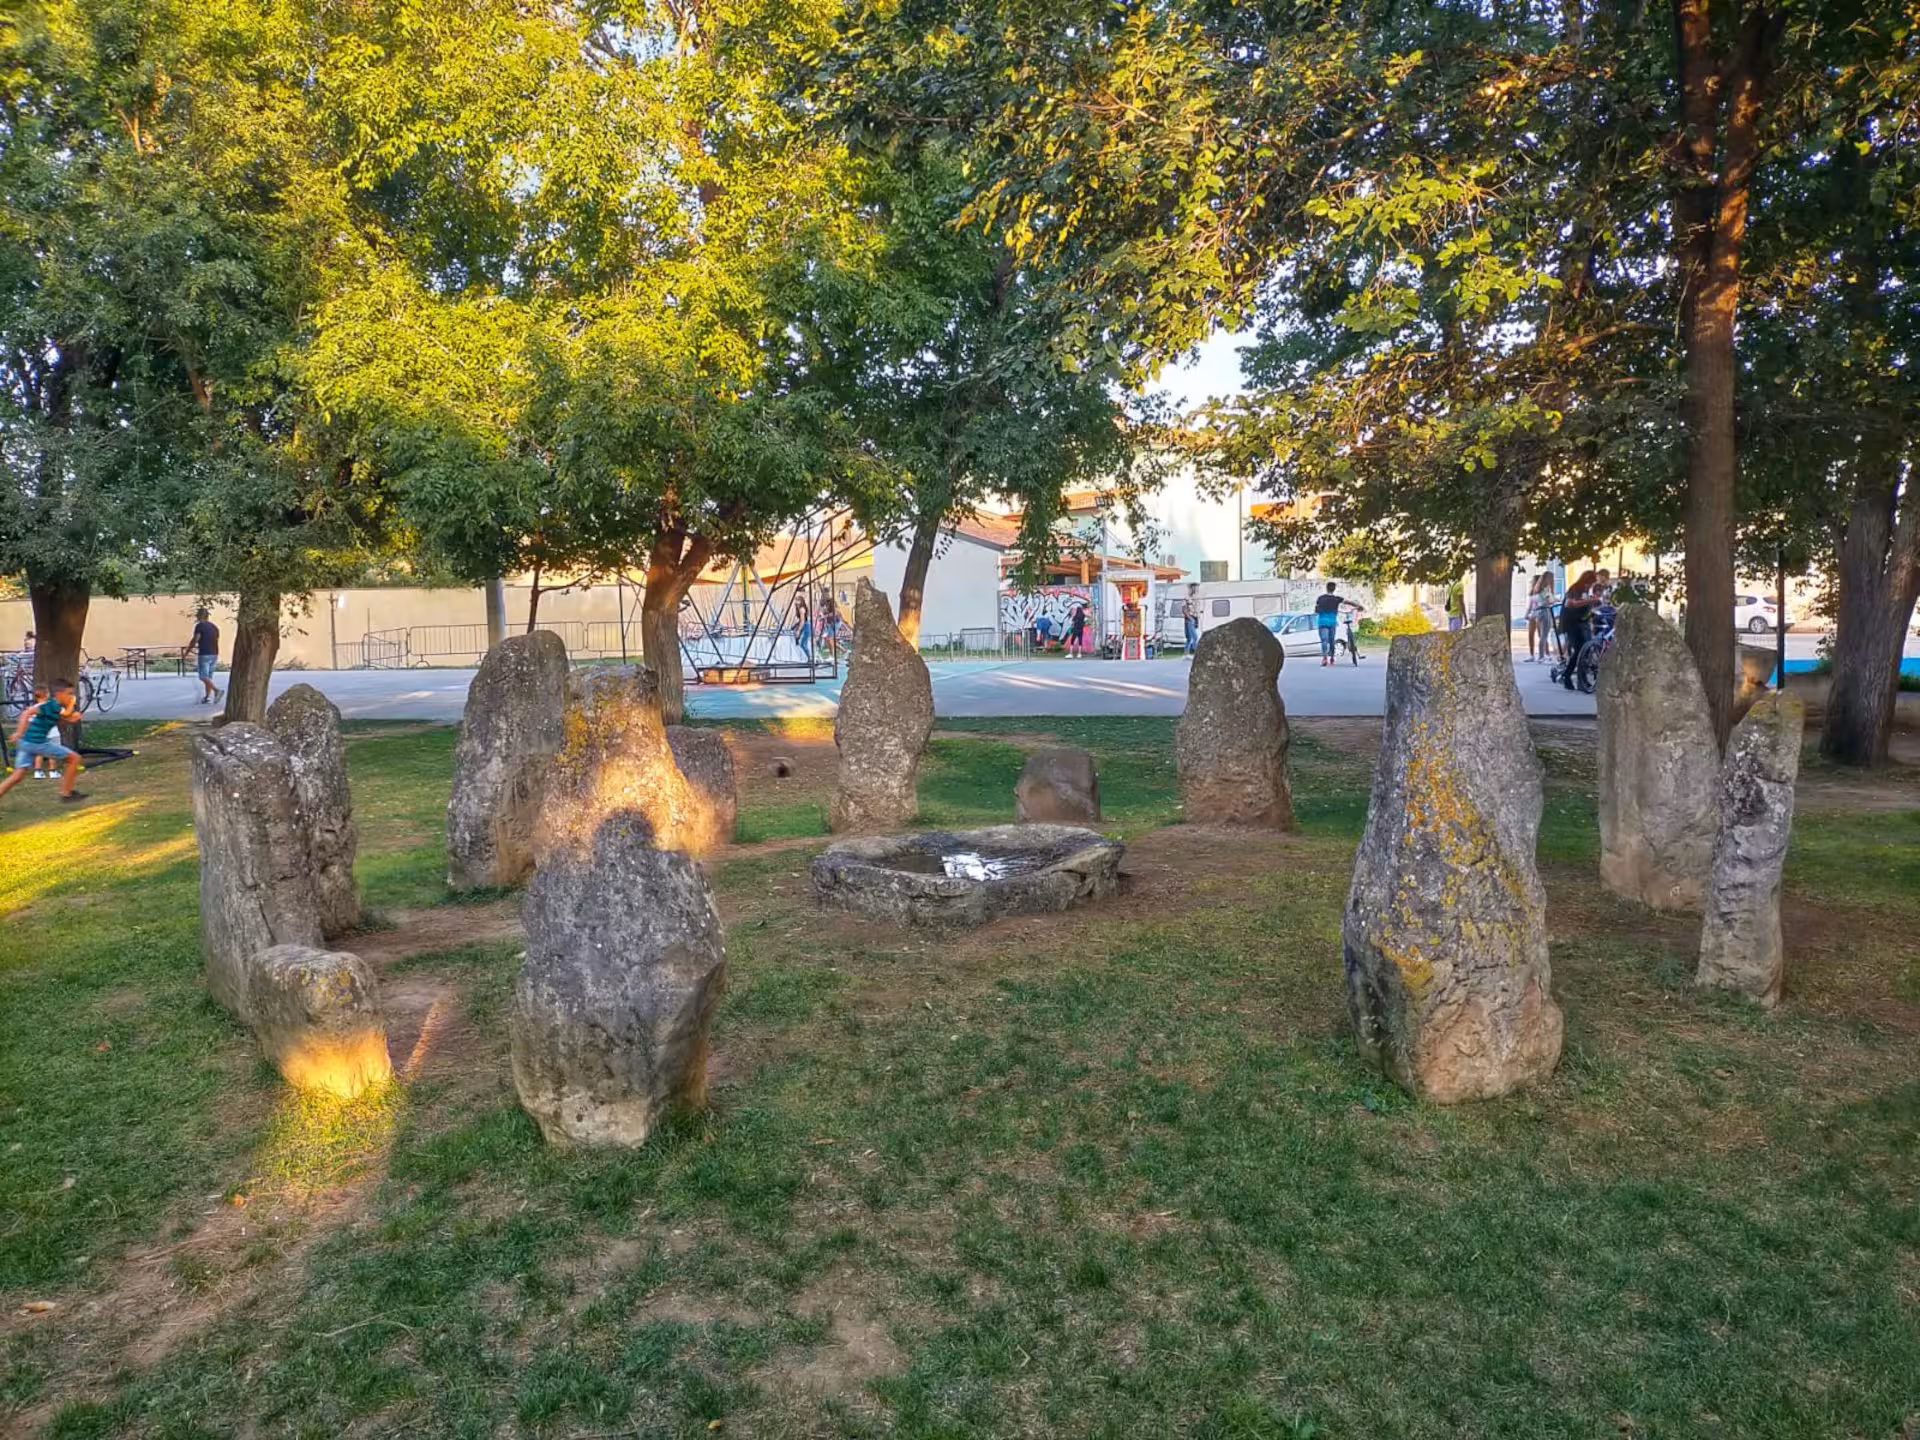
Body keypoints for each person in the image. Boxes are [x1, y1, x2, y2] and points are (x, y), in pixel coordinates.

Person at [0, 678, 87, 806]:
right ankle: (66, 793)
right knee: (74, 758)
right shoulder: (52, 705)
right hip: (38, 743)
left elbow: (64, 718)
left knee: (17, 776)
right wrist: (18, 732)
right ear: (59, 694)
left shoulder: (54, 707)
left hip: (26, 743)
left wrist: (73, 718)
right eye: (69, 694)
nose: (71, 697)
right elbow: (27, 713)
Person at [1558, 569, 1602, 690]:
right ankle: (1569, 676)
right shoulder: (1576, 588)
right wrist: (1590, 600)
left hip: (1582, 622)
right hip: (1573, 623)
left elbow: (1584, 604)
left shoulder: (1585, 590)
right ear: (1587, 581)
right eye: (1591, 583)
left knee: (1584, 650)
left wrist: (1592, 604)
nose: (1591, 586)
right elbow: (1570, 603)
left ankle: (1579, 680)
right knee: (1580, 650)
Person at [1313, 582, 1364, 666]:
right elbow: (1348, 602)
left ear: (1327, 588)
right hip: (1332, 623)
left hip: (1322, 622)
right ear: (1334, 589)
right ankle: (1332, 657)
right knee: (1332, 640)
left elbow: (1316, 610)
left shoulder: (1320, 598)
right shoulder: (1337, 599)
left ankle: (1325, 657)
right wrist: (1359, 606)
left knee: (1324, 640)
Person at [184, 607, 223, 706]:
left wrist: (188, 651)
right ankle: (207, 697)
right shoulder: (214, 627)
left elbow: (196, 639)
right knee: (208, 677)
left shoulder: (200, 626)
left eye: (197, 615)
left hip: (205, 653)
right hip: (214, 653)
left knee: (203, 676)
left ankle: (216, 690)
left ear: (200, 616)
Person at [1524, 571, 1558, 662]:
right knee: (1544, 635)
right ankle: (1542, 656)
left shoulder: (1538, 590)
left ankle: (1541, 655)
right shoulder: (1545, 589)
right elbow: (1548, 601)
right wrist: (1556, 600)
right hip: (1545, 611)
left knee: (1542, 635)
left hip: (1538, 612)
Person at [1182, 585, 1200, 654]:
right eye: (1193, 588)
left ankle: (1186, 653)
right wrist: (1190, 618)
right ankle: (1196, 653)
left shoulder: (1195, 598)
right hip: (1190, 619)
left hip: (1194, 618)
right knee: (1194, 637)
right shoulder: (1186, 598)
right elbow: (1184, 610)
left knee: (1189, 638)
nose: (1195, 590)